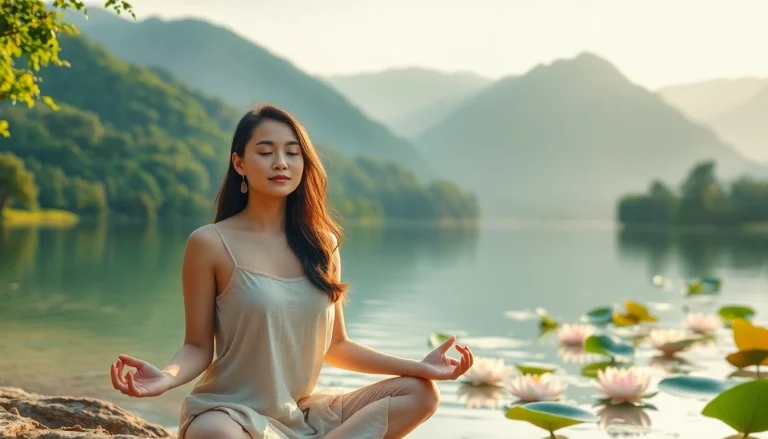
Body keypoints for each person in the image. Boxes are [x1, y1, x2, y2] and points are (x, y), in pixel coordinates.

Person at [109, 104, 474, 439]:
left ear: (304, 162)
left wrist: (420, 367)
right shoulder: (209, 243)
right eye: (266, 152)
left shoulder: (323, 244)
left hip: (303, 415)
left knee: (420, 392)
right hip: (232, 414)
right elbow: (198, 347)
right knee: (216, 434)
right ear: (239, 163)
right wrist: (166, 378)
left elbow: (337, 345)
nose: (280, 163)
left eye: (292, 152)